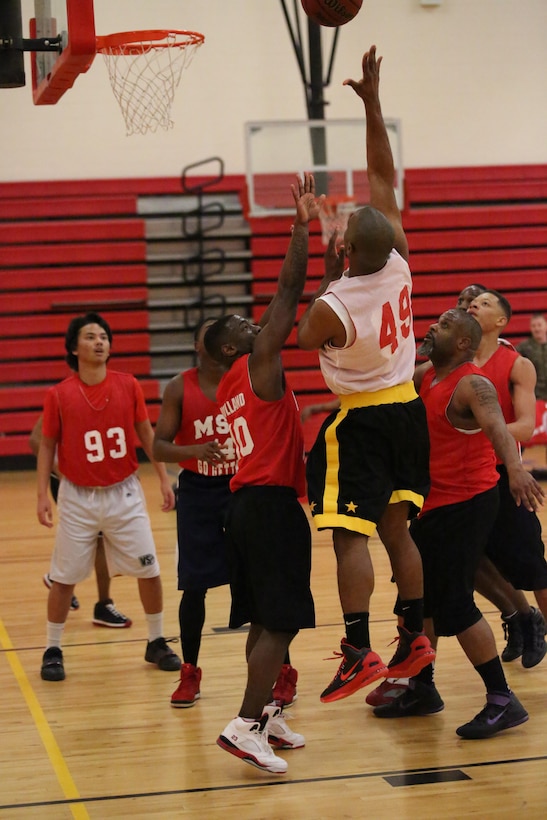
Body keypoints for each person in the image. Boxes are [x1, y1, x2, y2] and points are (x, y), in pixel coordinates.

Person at [297, 45, 434, 705]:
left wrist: (323, 266)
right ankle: (412, 631)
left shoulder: (335, 301)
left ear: (348, 249)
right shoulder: (399, 259)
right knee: (397, 529)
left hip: (362, 419)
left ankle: (357, 646)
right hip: (407, 406)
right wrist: (372, 103)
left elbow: (301, 338)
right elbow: (383, 175)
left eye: (344, 228)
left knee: (344, 533)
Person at [373, 309, 543, 739]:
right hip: (432, 505)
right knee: (418, 601)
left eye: (445, 327)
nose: (432, 327)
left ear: (464, 343)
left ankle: (502, 700)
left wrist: (517, 469)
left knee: (454, 605)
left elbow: (498, 428)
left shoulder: (473, 383)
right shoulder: (427, 375)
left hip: (466, 504)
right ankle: (423, 688)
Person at [204, 173, 319, 774]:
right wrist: (300, 226)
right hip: (270, 504)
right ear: (232, 348)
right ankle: (245, 724)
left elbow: (304, 309)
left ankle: (267, 716)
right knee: (278, 619)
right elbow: (288, 294)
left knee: (264, 617)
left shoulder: (227, 386)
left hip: (244, 507)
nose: (259, 326)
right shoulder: (255, 363)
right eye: (245, 328)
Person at [153, 318, 299, 708]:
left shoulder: (249, 377)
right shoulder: (179, 387)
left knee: (258, 584)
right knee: (194, 584)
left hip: (242, 487)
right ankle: (190, 671)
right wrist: (193, 451)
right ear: (205, 346)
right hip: (199, 492)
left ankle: (282, 671)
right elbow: (158, 446)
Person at [36, 312, 181, 681]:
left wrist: (164, 479)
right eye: (90, 336)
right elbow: (46, 445)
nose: (99, 341)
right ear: (74, 348)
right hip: (77, 497)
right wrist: (42, 495)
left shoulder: (128, 385)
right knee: (64, 576)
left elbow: (147, 436)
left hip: (124, 492)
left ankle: (156, 640)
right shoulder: (59, 394)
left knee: (149, 569)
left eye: (103, 336)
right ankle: (53, 648)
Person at [468, 291, 547, 665]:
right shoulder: (455, 360)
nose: (472, 307)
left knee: (532, 565)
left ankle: (537, 624)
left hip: (503, 473)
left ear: (501, 321)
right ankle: (518, 616)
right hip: (462, 475)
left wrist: (481, 431)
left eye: (483, 303)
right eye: (469, 303)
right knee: (471, 561)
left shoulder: (517, 364)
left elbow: (527, 427)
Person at [30, 416, 132, 627]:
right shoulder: (64, 396)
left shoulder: (109, 395)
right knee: (94, 537)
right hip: (71, 483)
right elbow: (35, 439)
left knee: (97, 538)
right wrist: (63, 472)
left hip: (98, 479)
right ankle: (101, 603)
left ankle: (60, 580)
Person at [516, 312, 547, 400]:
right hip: (534, 397)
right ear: (530, 328)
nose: (537, 329)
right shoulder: (523, 347)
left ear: (545, 326)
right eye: (534, 326)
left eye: (539, 325)